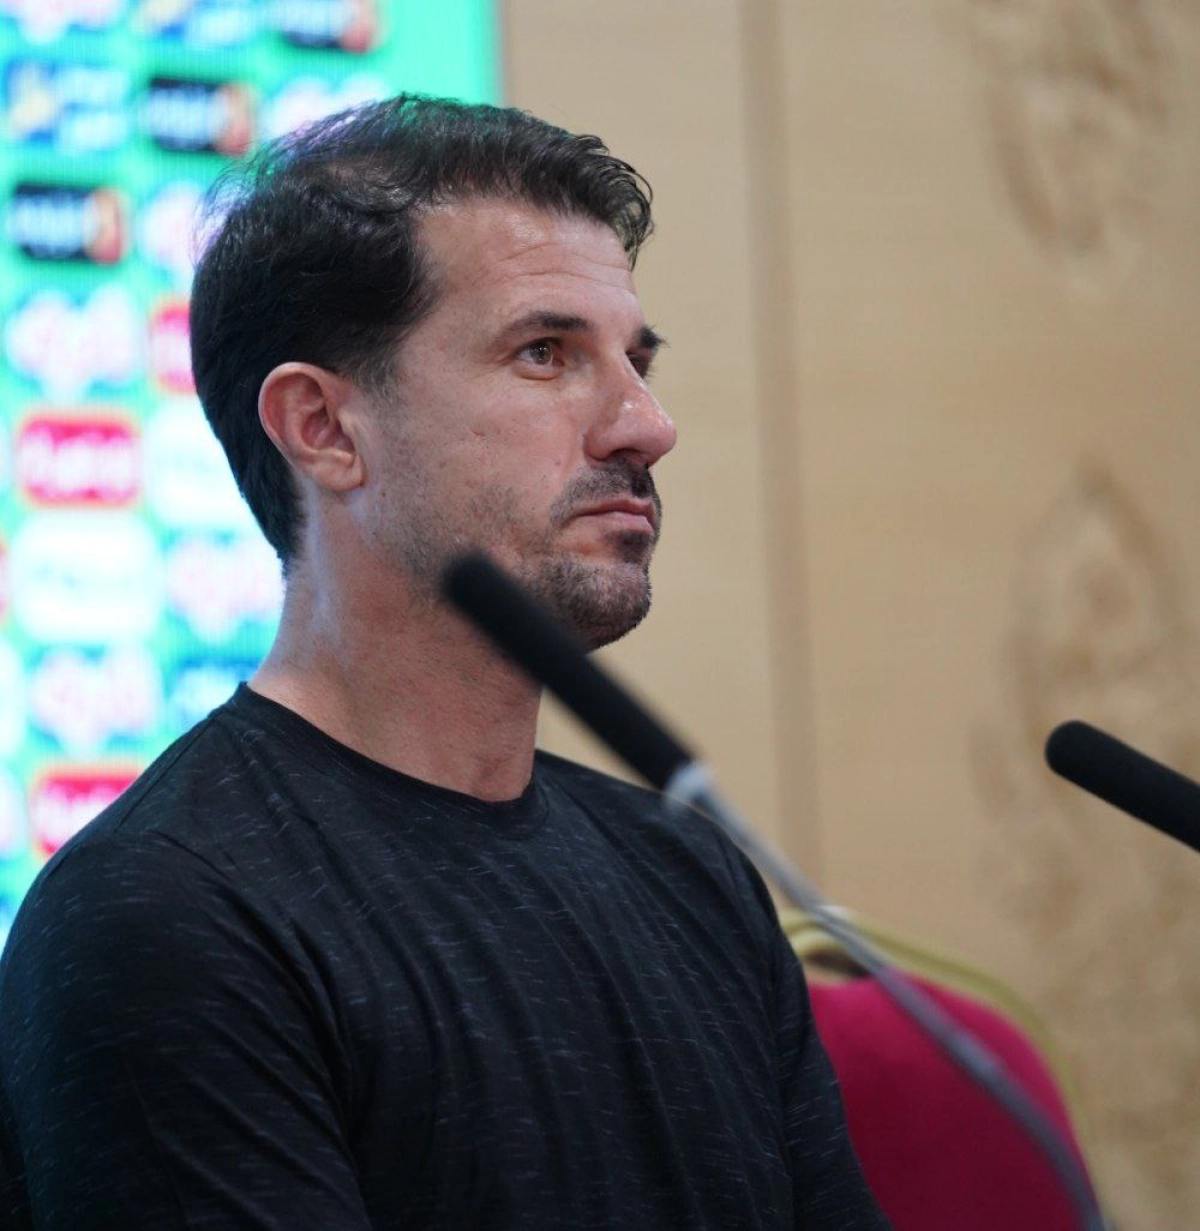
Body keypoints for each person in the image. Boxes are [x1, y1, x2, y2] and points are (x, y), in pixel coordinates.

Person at [0, 95, 889, 1230]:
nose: (647, 425)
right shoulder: (167, 914)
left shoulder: (690, 870)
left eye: (636, 361)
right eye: (545, 353)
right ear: (324, 428)